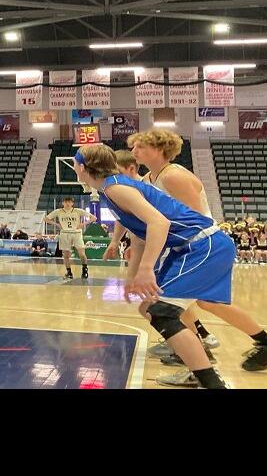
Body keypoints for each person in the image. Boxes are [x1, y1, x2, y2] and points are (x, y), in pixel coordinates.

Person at [73, 144, 230, 389]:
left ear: (81, 167)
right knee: (148, 307)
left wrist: (146, 270)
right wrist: (131, 277)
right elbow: (139, 236)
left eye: (74, 163)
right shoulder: (110, 188)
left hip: (204, 244)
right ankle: (199, 365)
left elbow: (159, 222)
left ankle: (210, 381)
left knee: (163, 312)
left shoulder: (116, 187)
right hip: (191, 246)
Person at [44, 197, 95, 280]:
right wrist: (56, 224)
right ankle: (69, 272)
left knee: (82, 253)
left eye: (69, 202)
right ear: (63, 203)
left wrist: (84, 224)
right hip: (64, 233)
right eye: (66, 202)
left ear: (72, 203)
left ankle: (85, 270)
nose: (67, 203)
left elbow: (93, 218)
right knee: (66, 255)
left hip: (77, 233)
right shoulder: (58, 211)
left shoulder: (78, 211)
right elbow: (46, 219)